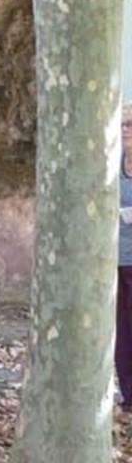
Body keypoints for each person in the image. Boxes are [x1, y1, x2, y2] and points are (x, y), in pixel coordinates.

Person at [117, 104, 132, 409]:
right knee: (122, 331)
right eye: (123, 125)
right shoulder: (110, 165)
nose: (126, 131)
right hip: (115, 261)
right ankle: (129, 395)